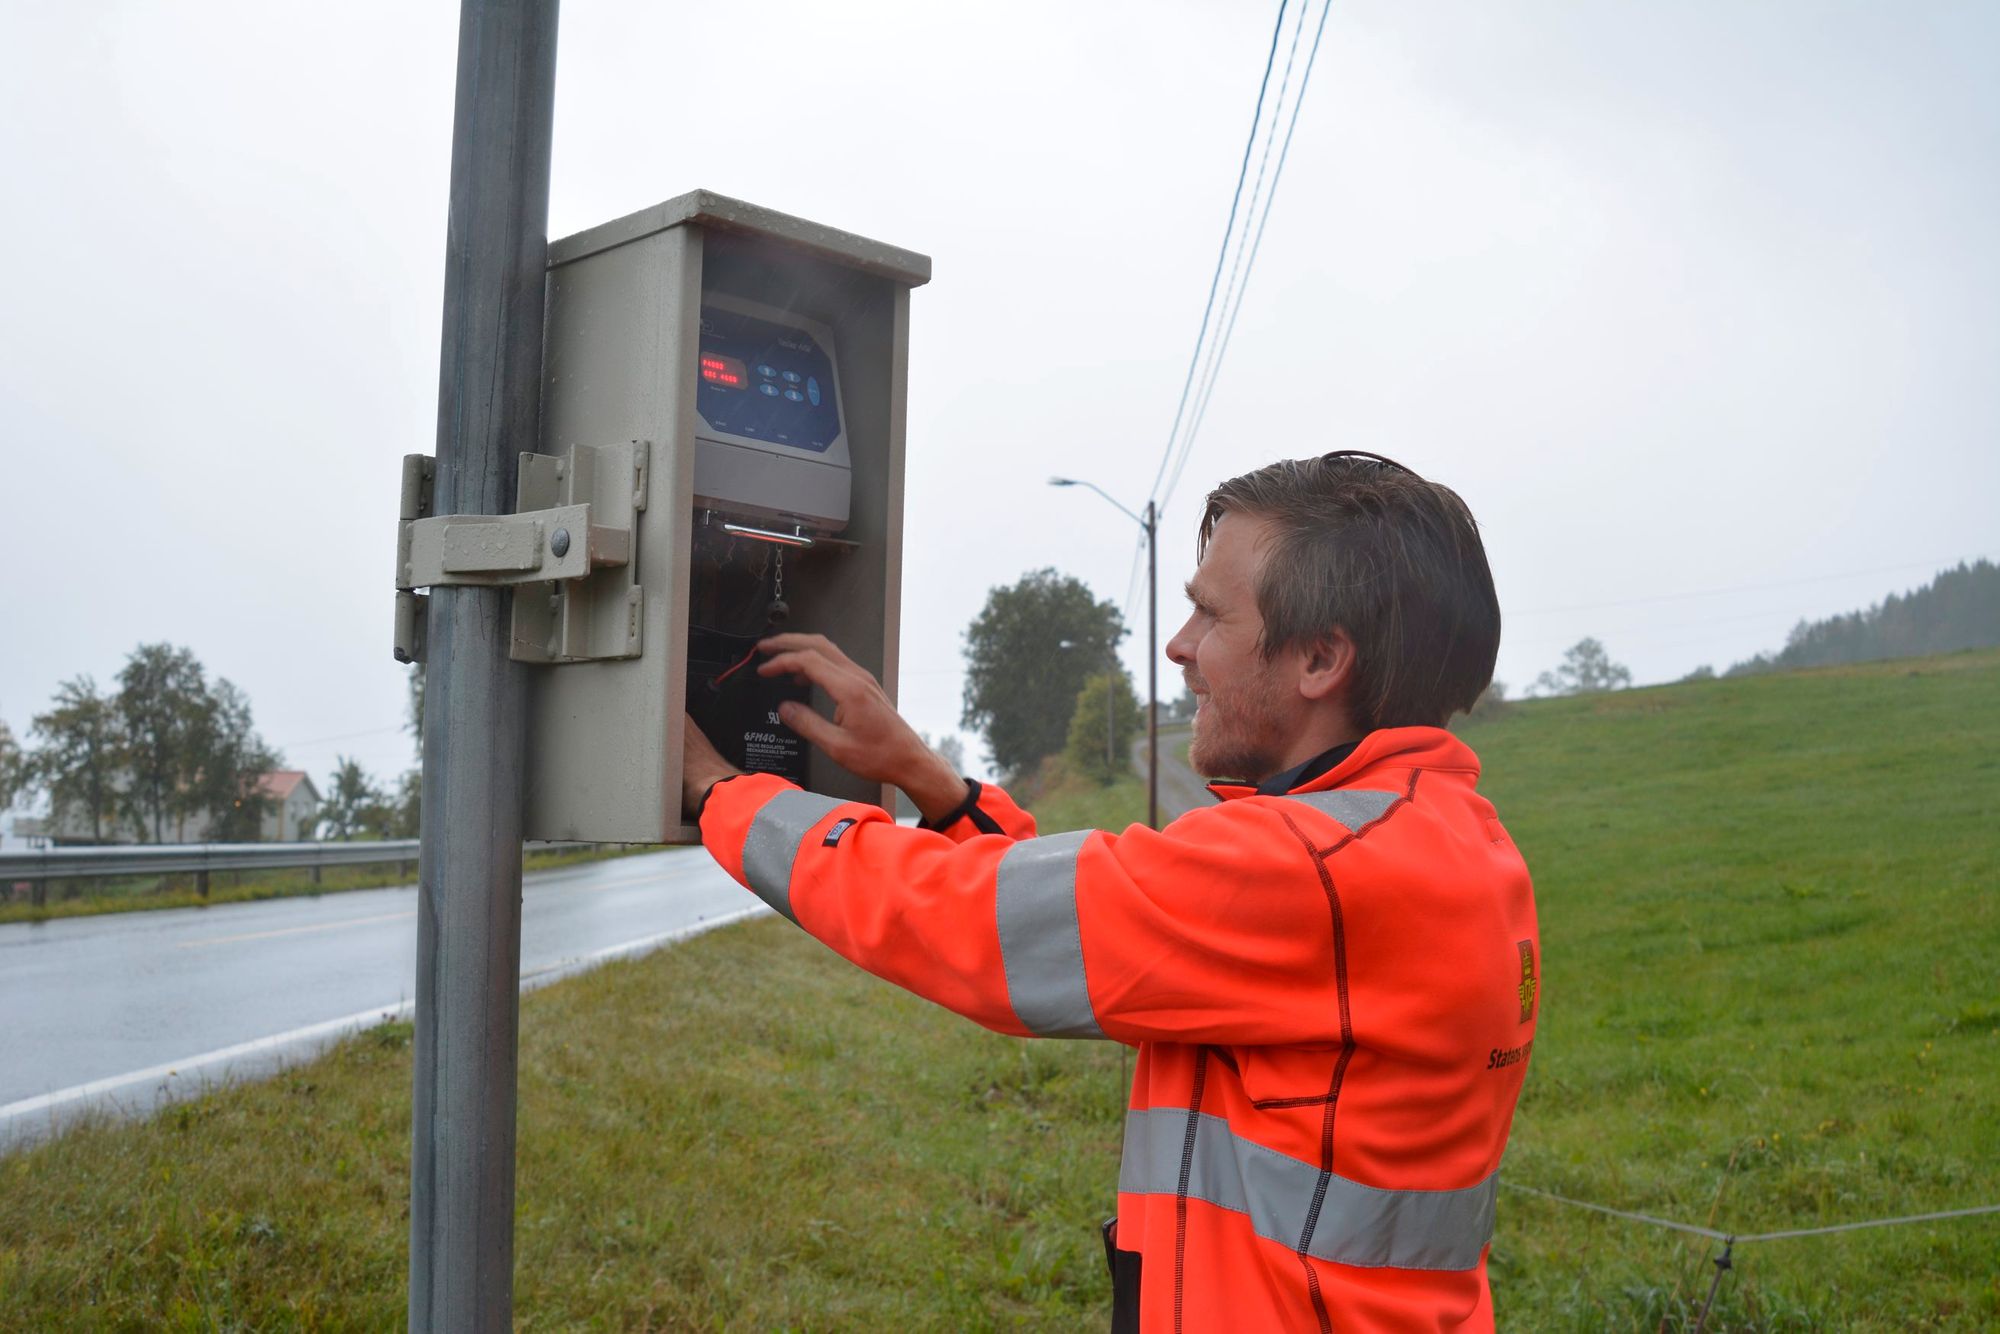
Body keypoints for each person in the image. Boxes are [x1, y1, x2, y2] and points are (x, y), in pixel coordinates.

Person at [682, 453, 1538, 1332]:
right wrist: (932, 784)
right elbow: (1097, 933)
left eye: (1211, 614)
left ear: (1319, 658)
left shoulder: (1308, 870)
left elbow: (978, 924)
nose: (1180, 646)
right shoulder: (1443, 839)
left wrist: (721, 791)